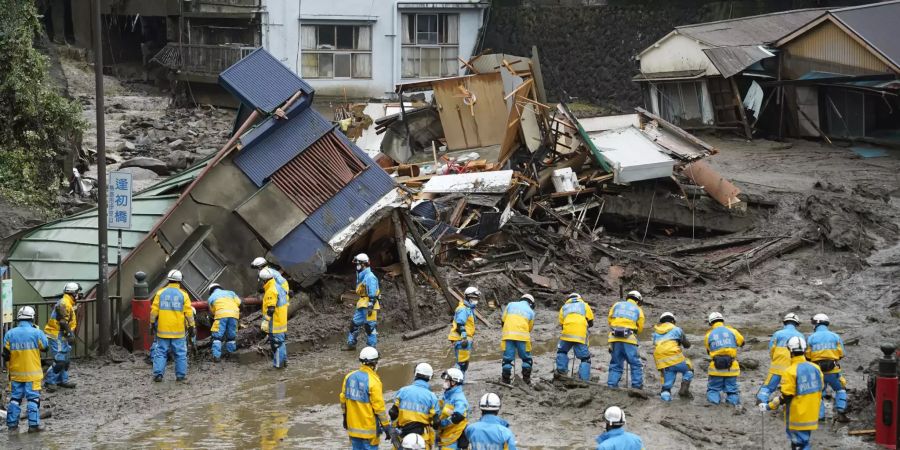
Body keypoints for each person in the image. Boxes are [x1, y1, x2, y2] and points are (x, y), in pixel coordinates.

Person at [759, 336, 823, 450]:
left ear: (790, 351)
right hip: (812, 414)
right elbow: (820, 388)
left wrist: (769, 406)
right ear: (804, 350)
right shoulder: (816, 368)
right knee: (805, 441)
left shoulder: (790, 371)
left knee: (798, 444)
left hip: (796, 416)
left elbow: (786, 396)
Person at [3, 306, 49, 433]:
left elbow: (5, 354)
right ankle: (33, 425)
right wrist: (39, 331)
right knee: (33, 398)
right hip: (32, 374)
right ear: (32, 318)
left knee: (15, 399)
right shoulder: (37, 332)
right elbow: (45, 347)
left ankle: (12, 425)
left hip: (15, 374)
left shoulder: (9, 333)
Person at [341, 347, 394, 450]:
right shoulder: (374, 381)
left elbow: (343, 400)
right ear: (374, 363)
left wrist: (344, 416)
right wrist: (386, 426)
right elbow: (379, 408)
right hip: (369, 432)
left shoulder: (349, 377)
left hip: (353, 430)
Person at [150, 270, 195, 382]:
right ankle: (180, 376)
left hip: (162, 330)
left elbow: (154, 311)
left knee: (160, 352)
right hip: (178, 331)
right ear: (180, 281)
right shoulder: (183, 295)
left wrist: (151, 323)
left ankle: (158, 375)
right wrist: (191, 326)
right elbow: (189, 313)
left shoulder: (160, 293)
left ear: (168, 279)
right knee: (180, 354)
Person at [806, 313, 850, 422]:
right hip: (833, 371)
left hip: (817, 372)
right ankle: (841, 411)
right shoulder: (835, 336)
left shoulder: (811, 337)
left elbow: (807, 356)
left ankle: (820, 417)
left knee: (818, 393)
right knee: (840, 389)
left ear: (817, 324)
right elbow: (842, 354)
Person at [756, 313, 805, 405]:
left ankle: (761, 401)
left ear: (785, 322)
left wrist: (775, 359)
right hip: (793, 368)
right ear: (796, 324)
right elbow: (802, 352)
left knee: (768, 386)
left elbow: (771, 349)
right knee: (792, 387)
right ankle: (789, 403)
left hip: (777, 367)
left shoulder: (777, 334)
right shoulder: (800, 336)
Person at [390, 363, 439, 448]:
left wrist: (392, 430)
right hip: (422, 439)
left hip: (402, 436)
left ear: (415, 374)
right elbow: (436, 422)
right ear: (430, 377)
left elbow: (393, 413)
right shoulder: (432, 397)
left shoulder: (402, 391)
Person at [703, 312, 745, 410]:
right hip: (732, 368)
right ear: (723, 321)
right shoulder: (732, 331)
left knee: (713, 390)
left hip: (715, 368)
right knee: (732, 391)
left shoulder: (708, 335)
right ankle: (732, 406)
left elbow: (709, 351)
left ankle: (714, 408)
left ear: (710, 323)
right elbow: (742, 342)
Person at [44, 282, 81, 390]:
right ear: (73, 293)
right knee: (60, 360)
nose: (78, 295)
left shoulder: (67, 302)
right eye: (77, 293)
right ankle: (49, 381)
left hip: (62, 334)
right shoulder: (64, 303)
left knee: (66, 360)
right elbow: (62, 322)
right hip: (57, 334)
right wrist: (70, 334)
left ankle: (62, 380)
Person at [607, 290, 646, 389]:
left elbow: (610, 320)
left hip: (614, 337)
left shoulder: (617, 305)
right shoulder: (638, 309)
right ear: (638, 300)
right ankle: (637, 386)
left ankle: (612, 385)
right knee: (635, 363)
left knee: (616, 362)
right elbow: (640, 327)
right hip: (629, 338)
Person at [652, 312, 693, 401]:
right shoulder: (677, 329)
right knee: (689, 369)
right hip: (675, 357)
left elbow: (656, 345)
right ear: (673, 321)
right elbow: (687, 345)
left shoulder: (655, 333)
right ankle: (684, 389)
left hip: (662, 361)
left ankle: (665, 397)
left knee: (667, 385)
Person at [555, 293, 594, 382]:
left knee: (562, 351)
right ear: (579, 298)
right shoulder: (585, 305)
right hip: (580, 334)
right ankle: (584, 380)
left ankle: (561, 373)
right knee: (585, 358)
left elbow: (561, 323)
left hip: (566, 333)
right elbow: (591, 322)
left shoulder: (564, 307)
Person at [346, 253, 381, 350]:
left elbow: (372, 293)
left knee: (370, 327)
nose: (356, 266)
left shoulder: (370, 277)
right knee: (354, 324)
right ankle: (351, 344)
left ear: (363, 264)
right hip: (361, 304)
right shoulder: (362, 275)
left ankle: (372, 348)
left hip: (369, 305)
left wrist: (370, 305)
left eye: (358, 264)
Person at [500, 294, 535, 384]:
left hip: (508, 335)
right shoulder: (531, 312)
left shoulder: (511, 304)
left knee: (507, 359)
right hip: (523, 337)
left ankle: (505, 380)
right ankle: (526, 380)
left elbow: (503, 319)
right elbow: (530, 328)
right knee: (527, 359)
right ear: (531, 303)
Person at [260, 268, 288, 369]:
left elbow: (271, 309)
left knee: (276, 344)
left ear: (264, 280)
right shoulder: (278, 286)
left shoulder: (271, 290)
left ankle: (278, 366)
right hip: (281, 320)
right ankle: (283, 363)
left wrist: (265, 321)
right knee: (281, 343)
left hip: (275, 322)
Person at [435, 368, 469, 449]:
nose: (444, 383)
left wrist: (441, 422)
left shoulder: (459, 399)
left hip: (453, 438)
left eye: (446, 380)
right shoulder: (446, 395)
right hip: (444, 435)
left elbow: (457, 416)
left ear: (453, 382)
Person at [448, 287, 479, 374]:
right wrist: (464, 337)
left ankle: (458, 380)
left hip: (464, 338)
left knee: (463, 362)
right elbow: (460, 324)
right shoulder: (463, 309)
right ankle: (456, 381)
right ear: (468, 297)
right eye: (473, 298)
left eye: (476, 298)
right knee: (462, 363)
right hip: (461, 339)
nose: (475, 300)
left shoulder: (468, 309)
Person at [207, 283, 242, 362]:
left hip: (221, 315)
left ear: (211, 291)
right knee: (231, 336)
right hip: (234, 314)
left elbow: (212, 312)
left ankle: (216, 356)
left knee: (217, 337)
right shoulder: (231, 293)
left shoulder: (211, 298)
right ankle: (231, 354)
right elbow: (239, 303)